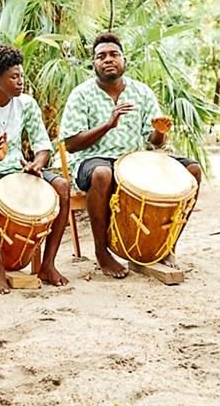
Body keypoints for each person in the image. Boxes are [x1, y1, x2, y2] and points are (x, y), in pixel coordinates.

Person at [60, 33, 203, 279]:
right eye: (101, 56)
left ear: (124, 59)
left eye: (114, 54)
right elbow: (71, 144)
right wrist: (107, 125)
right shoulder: (81, 94)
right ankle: (102, 252)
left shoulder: (141, 92)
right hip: (94, 160)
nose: (108, 60)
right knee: (103, 174)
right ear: (93, 63)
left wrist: (160, 131)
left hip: (137, 161)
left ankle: (166, 246)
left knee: (192, 171)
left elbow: (155, 142)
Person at [0, 45, 71, 293]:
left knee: (62, 187)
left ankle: (47, 265)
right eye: (14, 77)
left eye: (21, 75)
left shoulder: (26, 104)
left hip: (18, 169)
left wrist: (37, 164)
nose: (21, 81)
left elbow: (43, 145)